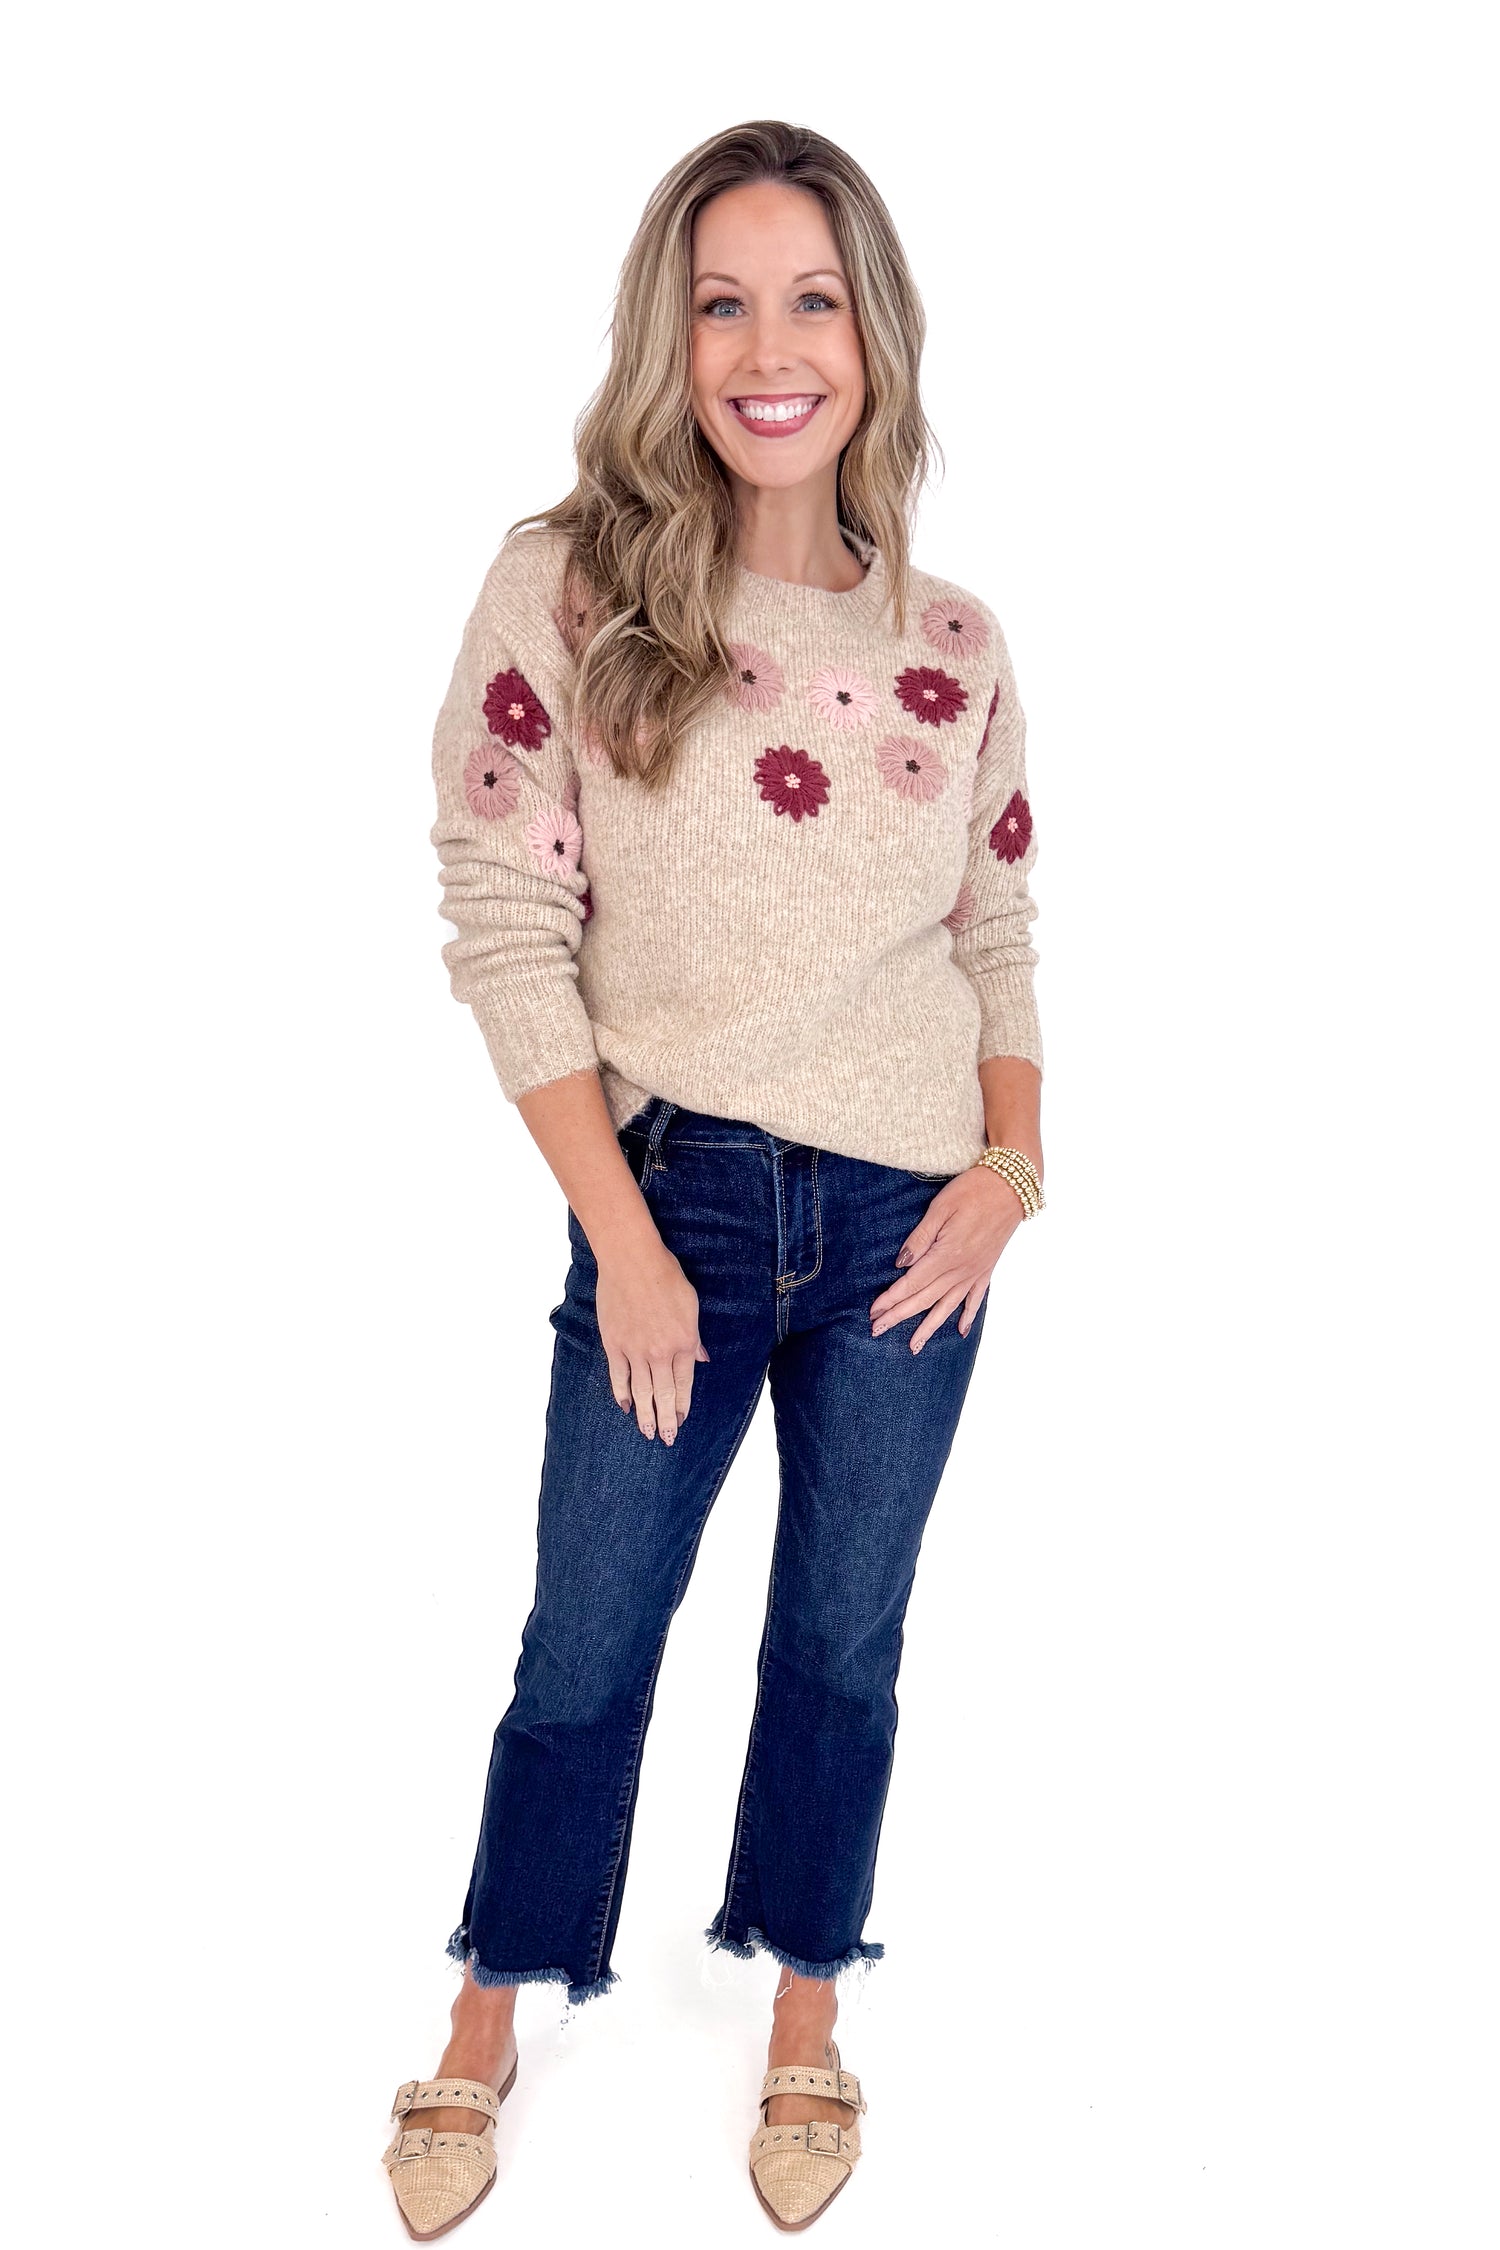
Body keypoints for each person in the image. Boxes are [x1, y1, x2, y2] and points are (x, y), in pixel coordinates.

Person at [383, 118, 1047, 2240]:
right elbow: (504, 914)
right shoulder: (569, 583)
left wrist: (1014, 1168)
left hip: (908, 1230)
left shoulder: (955, 637)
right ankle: (496, 2002)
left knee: (844, 1638)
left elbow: (1001, 928)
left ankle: (801, 2010)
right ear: (670, 338)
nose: (771, 347)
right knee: (589, 1633)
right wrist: (621, 1241)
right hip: (669, 1204)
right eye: (722, 299)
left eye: (812, 297)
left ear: (877, 334)